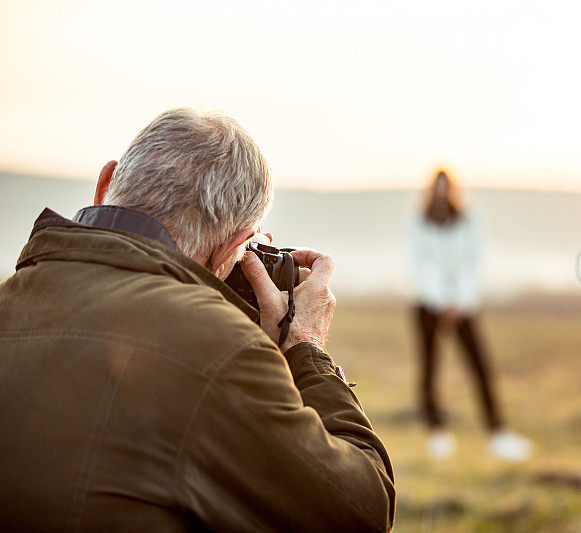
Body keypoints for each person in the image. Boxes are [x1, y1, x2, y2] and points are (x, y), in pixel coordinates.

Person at [0, 108, 395, 531]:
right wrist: (305, 346)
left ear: (104, 186)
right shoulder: (223, 351)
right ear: (235, 249)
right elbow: (361, 511)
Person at [410, 170, 532, 461]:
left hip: (463, 306)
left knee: (479, 366)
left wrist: (458, 302)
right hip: (427, 304)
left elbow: (472, 263)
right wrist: (440, 301)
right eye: (436, 187)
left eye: (445, 187)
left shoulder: (468, 221)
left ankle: (497, 432)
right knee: (430, 368)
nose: (441, 193)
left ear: (452, 190)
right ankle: (437, 434)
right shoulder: (418, 221)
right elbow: (421, 264)